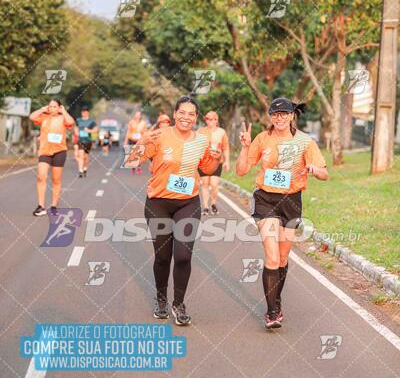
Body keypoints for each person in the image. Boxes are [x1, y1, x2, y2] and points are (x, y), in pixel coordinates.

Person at [124, 96, 222, 325]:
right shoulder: (160, 135)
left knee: (183, 255)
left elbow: (207, 168)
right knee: (162, 256)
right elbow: (131, 162)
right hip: (158, 202)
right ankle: (161, 298)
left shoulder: (200, 141)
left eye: (191, 114)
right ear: (175, 113)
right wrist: (142, 140)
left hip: (188, 203)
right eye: (182, 112)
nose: (186, 117)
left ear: (196, 118)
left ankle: (178, 303)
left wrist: (216, 159)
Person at [236, 97, 328, 330]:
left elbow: (324, 174)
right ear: (270, 116)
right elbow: (241, 170)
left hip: (292, 201)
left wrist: (315, 170)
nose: (280, 118)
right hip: (266, 199)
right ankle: (272, 312)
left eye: (284, 114)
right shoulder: (262, 139)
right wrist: (245, 147)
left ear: (292, 115)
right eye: (275, 114)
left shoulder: (305, 142)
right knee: (272, 257)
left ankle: (275, 298)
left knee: (283, 259)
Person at [29, 99, 75, 217]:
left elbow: (71, 122)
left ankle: (53, 206)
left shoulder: (63, 118)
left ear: (59, 108)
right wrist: (42, 109)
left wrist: (64, 111)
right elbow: (32, 117)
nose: (52, 109)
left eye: (55, 106)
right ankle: (41, 206)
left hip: (59, 151)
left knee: (56, 180)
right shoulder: (44, 117)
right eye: (50, 106)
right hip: (45, 151)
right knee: (41, 177)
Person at [198, 111, 230, 215]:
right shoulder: (201, 131)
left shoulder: (221, 132)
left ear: (217, 120)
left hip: (217, 162)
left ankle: (213, 203)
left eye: (213, 119)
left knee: (214, 184)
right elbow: (196, 146)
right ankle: (206, 206)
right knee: (205, 184)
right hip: (203, 163)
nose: (210, 121)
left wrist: (227, 161)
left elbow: (226, 147)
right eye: (208, 119)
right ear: (205, 120)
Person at [74, 107, 97, 178]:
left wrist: (89, 131)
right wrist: (77, 132)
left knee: (86, 157)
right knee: (80, 155)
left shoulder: (91, 121)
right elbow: (76, 128)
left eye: (85, 112)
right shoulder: (78, 120)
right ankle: (80, 171)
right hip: (81, 140)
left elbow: (96, 130)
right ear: (81, 113)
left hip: (88, 141)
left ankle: (85, 168)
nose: (84, 113)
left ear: (88, 113)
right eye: (83, 112)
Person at [124, 111, 148, 175]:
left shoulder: (143, 123)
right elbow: (128, 131)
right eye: (136, 115)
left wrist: (146, 140)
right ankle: (133, 167)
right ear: (134, 115)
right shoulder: (131, 122)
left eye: (138, 115)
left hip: (140, 140)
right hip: (132, 139)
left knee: (139, 155)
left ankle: (139, 167)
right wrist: (126, 141)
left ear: (140, 116)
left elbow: (145, 132)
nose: (137, 116)